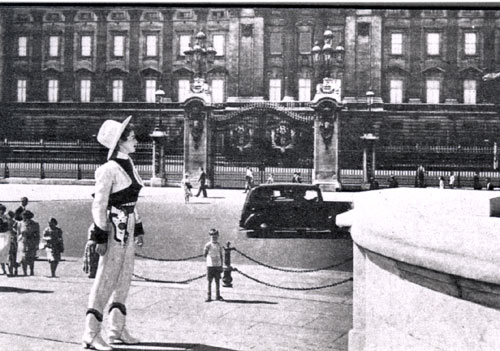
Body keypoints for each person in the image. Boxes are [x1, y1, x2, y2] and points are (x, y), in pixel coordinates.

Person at [82, 116, 145, 350]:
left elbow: (131, 202)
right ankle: (90, 333)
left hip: (126, 225)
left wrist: (137, 227)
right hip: (112, 227)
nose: (136, 141)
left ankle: (116, 329)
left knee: (125, 276)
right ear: (120, 142)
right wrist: (99, 234)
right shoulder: (108, 169)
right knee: (106, 277)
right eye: (132, 137)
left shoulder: (128, 163)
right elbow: (99, 204)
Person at [16, 210, 40, 276]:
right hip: (23, 241)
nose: (25, 217)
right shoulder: (20, 223)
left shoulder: (35, 224)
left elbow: (37, 235)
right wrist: (18, 241)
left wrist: (37, 244)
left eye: (26, 215)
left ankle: (31, 271)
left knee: (31, 257)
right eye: (23, 215)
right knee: (23, 257)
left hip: (31, 241)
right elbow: (18, 233)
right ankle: (25, 272)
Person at [203, 228, 224, 302]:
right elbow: (204, 255)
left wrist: (221, 265)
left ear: (217, 236)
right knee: (209, 281)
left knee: (217, 281)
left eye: (215, 236)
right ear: (210, 237)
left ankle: (217, 295)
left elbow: (221, 255)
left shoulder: (219, 245)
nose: (214, 238)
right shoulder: (208, 245)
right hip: (210, 265)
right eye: (212, 236)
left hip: (217, 264)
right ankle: (209, 296)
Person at [0, 204, 10, 275]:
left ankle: (5, 269)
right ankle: (2, 269)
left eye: (3, 210)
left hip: (5, 235)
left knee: (3, 251)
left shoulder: (6, 218)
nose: (1, 211)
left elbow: (9, 226)